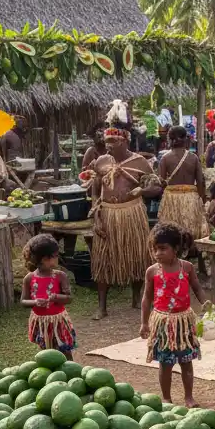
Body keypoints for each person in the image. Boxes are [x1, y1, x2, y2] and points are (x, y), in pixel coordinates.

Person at [88, 124, 160, 319]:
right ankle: (102, 307)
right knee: (103, 260)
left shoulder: (140, 162)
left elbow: (156, 188)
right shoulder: (102, 161)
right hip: (108, 214)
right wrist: (96, 215)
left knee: (137, 256)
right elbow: (95, 191)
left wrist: (142, 191)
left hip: (132, 213)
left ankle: (137, 298)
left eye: (114, 141)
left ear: (125, 141)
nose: (109, 145)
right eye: (107, 141)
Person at [141, 223, 206, 407]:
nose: (157, 253)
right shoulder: (152, 271)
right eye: (155, 249)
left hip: (183, 323)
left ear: (175, 248)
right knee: (165, 363)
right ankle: (166, 398)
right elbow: (146, 298)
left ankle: (188, 397)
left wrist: (206, 304)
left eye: (162, 249)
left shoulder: (187, 268)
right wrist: (144, 323)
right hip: (162, 323)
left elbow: (197, 288)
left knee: (186, 362)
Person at [21, 234, 76, 360]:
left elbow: (69, 298)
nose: (55, 260)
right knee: (46, 354)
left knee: (65, 350)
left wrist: (56, 297)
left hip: (58, 321)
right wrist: (35, 302)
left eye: (56, 256)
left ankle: (71, 373)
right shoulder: (29, 278)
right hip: (41, 322)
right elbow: (23, 301)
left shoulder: (60, 276)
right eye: (53, 257)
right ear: (41, 259)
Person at [157, 125, 208, 242]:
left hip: (171, 199)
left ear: (169, 139)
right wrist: (202, 198)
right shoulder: (193, 158)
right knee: (191, 229)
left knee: (171, 230)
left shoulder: (165, 158)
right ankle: (191, 252)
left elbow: (160, 182)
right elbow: (200, 181)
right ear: (186, 139)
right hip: (191, 197)